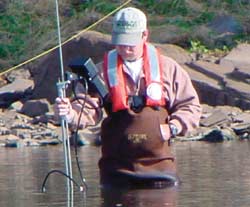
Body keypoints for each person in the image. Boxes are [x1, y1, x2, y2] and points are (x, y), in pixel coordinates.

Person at [54, 7, 201, 188]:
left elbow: (191, 106)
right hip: (115, 173)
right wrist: (69, 114)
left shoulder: (169, 68)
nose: (125, 47)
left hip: (161, 172)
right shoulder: (100, 71)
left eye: (130, 42)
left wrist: (173, 128)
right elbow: (87, 108)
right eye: (121, 42)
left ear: (144, 35)